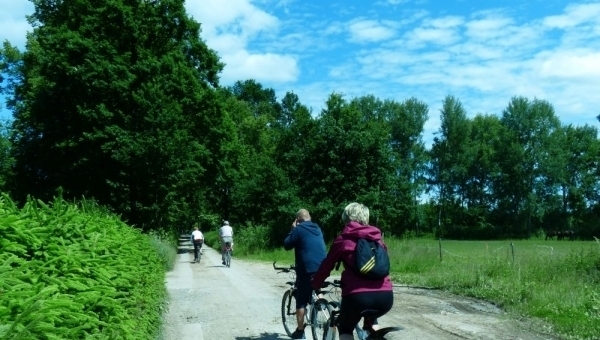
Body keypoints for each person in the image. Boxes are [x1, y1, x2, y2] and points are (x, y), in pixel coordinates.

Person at [311, 203, 393, 340]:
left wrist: (316, 284)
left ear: (347, 218)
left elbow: (327, 264)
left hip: (357, 297)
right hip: (385, 297)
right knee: (371, 323)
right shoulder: (378, 239)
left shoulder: (343, 239)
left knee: (345, 327)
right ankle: (374, 334)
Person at [283, 209, 327, 339]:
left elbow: (287, 245)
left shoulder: (298, 229)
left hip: (307, 270)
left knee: (301, 301)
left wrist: (292, 229)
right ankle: (321, 303)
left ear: (298, 220)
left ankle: (300, 331)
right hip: (323, 267)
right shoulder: (317, 228)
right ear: (310, 217)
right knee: (316, 286)